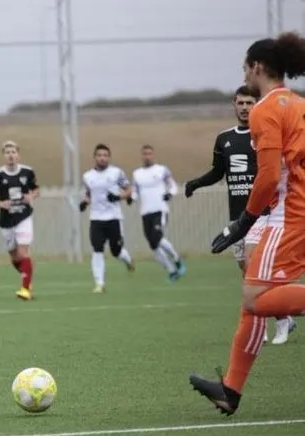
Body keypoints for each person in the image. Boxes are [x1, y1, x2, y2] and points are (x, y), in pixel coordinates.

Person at [191, 32, 305, 415]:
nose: (244, 73)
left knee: (255, 298)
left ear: (257, 67)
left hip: (289, 214)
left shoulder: (265, 109)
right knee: (252, 299)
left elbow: (269, 176)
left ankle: (231, 390)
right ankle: (230, 391)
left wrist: (243, 221)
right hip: (292, 211)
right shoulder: (299, 104)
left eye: (245, 66)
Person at [186, 85, 295, 345]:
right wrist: (195, 184)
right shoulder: (224, 139)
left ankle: (277, 322)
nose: (245, 108)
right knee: (247, 271)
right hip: (237, 217)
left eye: (249, 102)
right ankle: (281, 316)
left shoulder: (267, 133)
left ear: (257, 105)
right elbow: (217, 172)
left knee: (254, 266)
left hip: (264, 212)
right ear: (234, 105)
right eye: (241, 103)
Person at [0, 140, 40, 300]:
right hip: (6, 220)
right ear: (4, 155)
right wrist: (0, 203)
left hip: (23, 217)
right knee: (14, 257)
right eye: (7, 152)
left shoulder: (27, 172)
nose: (11, 155)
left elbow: (36, 189)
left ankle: (25, 289)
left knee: (23, 253)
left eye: (13, 152)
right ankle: (27, 278)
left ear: (18, 155)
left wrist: (31, 196)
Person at [79, 144, 135, 293]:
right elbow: (88, 194)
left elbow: (129, 190)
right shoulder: (87, 176)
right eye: (99, 155)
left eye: (105, 155)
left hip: (114, 217)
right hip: (96, 219)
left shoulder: (117, 173)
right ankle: (99, 283)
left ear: (109, 157)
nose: (102, 158)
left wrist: (119, 196)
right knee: (97, 250)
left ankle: (128, 260)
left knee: (116, 251)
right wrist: (84, 203)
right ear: (94, 157)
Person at [131, 144, 186, 281]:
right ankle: (171, 270)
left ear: (153, 155)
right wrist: (131, 198)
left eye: (149, 153)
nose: (147, 156)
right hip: (145, 212)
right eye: (145, 154)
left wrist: (170, 194)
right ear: (142, 156)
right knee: (153, 245)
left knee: (157, 237)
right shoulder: (137, 174)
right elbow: (135, 192)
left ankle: (176, 258)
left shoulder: (161, 170)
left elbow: (172, 185)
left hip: (160, 210)